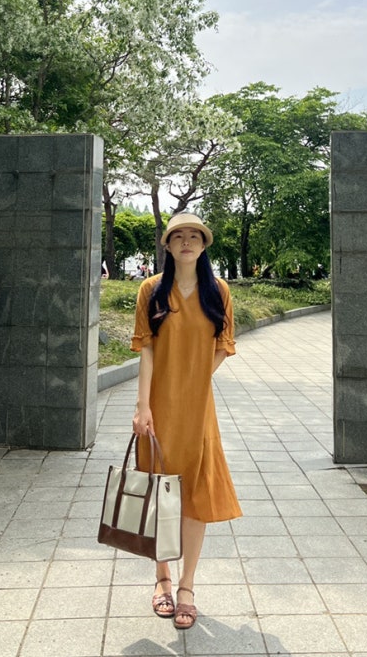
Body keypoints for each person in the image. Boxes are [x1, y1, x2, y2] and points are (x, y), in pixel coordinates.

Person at [130, 212, 242, 630]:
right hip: (159, 408)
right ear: (168, 244)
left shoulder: (218, 291)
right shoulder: (151, 290)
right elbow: (146, 349)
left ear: (204, 244)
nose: (187, 242)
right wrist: (143, 407)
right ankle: (162, 579)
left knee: (195, 494)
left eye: (195, 236)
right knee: (160, 491)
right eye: (179, 236)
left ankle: (187, 587)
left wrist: (195, 380)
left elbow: (223, 345)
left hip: (198, 409)